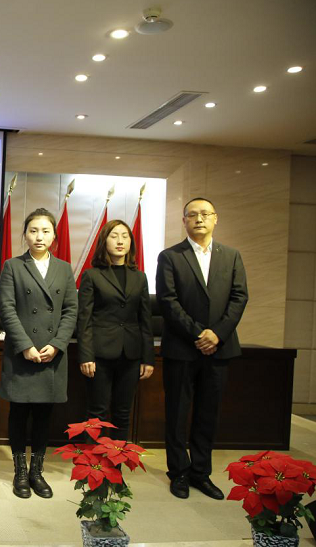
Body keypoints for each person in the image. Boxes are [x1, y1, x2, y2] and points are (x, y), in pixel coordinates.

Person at [156, 198, 248, 500]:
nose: (199, 219)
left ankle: (201, 473)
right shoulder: (170, 256)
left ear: (215, 218)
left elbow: (239, 297)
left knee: (209, 414)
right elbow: (168, 301)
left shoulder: (231, 256)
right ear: (184, 221)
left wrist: (217, 334)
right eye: (192, 215)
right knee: (177, 413)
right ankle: (178, 473)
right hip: (182, 348)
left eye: (205, 214)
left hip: (219, 349)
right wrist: (198, 333)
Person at [0, 208, 77, 499]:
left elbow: (71, 310)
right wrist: (25, 346)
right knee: (19, 413)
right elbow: (7, 309)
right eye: (33, 231)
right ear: (25, 235)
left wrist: (57, 344)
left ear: (54, 236)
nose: (39, 236)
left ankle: (37, 472)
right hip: (22, 353)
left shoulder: (64, 269)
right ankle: (20, 471)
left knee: (44, 415)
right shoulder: (13, 266)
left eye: (45, 231)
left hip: (51, 354)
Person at [77, 220, 155, 442]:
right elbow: (84, 319)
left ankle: (117, 463)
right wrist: (86, 355)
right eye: (114, 236)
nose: (120, 241)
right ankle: (92, 463)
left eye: (125, 236)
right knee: (97, 413)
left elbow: (145, 320)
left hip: (131, 354)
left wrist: (148, 358)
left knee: (122, 413)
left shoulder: (140, 277)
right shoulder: (92, 275)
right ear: (104, 241)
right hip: (99, 354)